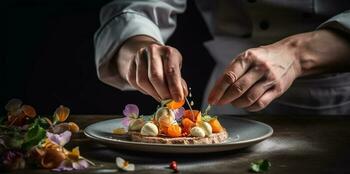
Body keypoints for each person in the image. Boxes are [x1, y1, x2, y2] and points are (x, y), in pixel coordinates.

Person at [94, 0, 350, 115]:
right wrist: (139, 47)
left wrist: (296, 54)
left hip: (338, 107)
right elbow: (134, 9)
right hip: (228, 105)